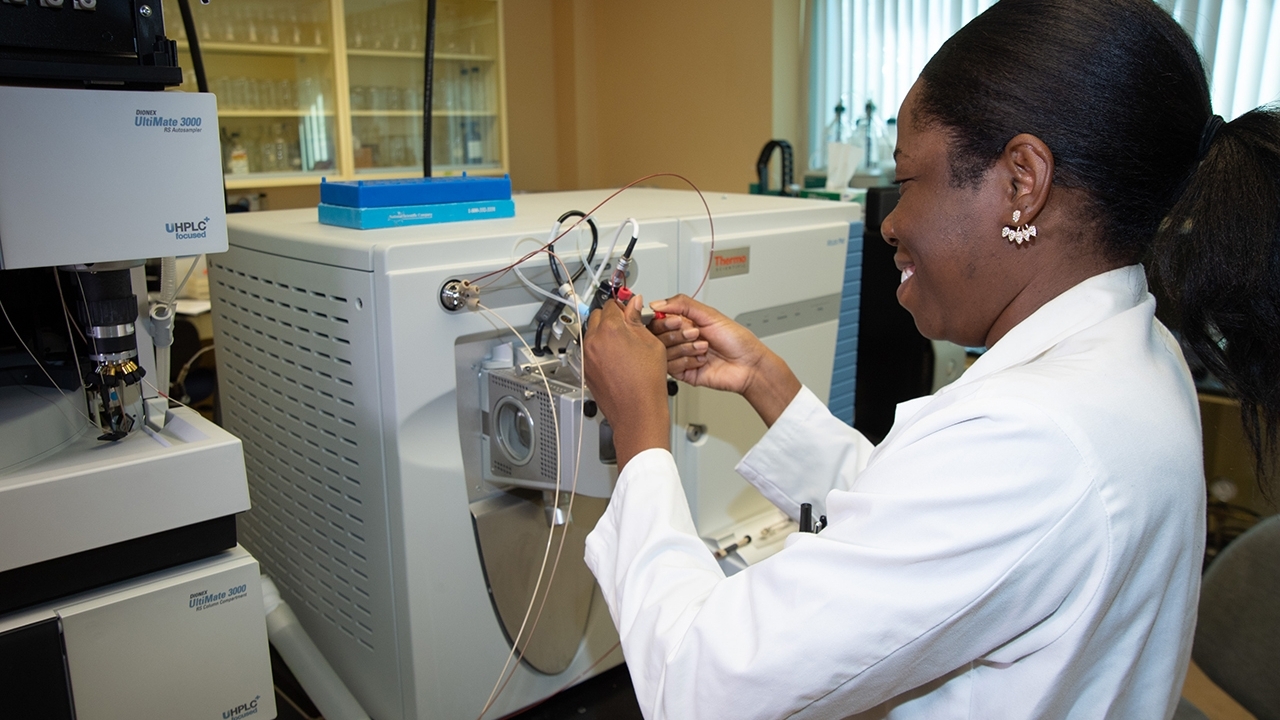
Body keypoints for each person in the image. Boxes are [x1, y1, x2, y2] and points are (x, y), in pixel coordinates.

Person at [579, 0, 1280, 718]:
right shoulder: (1136, 349)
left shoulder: (1038, 436)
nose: (889, 221)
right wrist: (766, 383)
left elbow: (698, 684)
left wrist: (640, 437)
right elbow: (926, 532)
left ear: (1021, 183)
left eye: (909, 179)